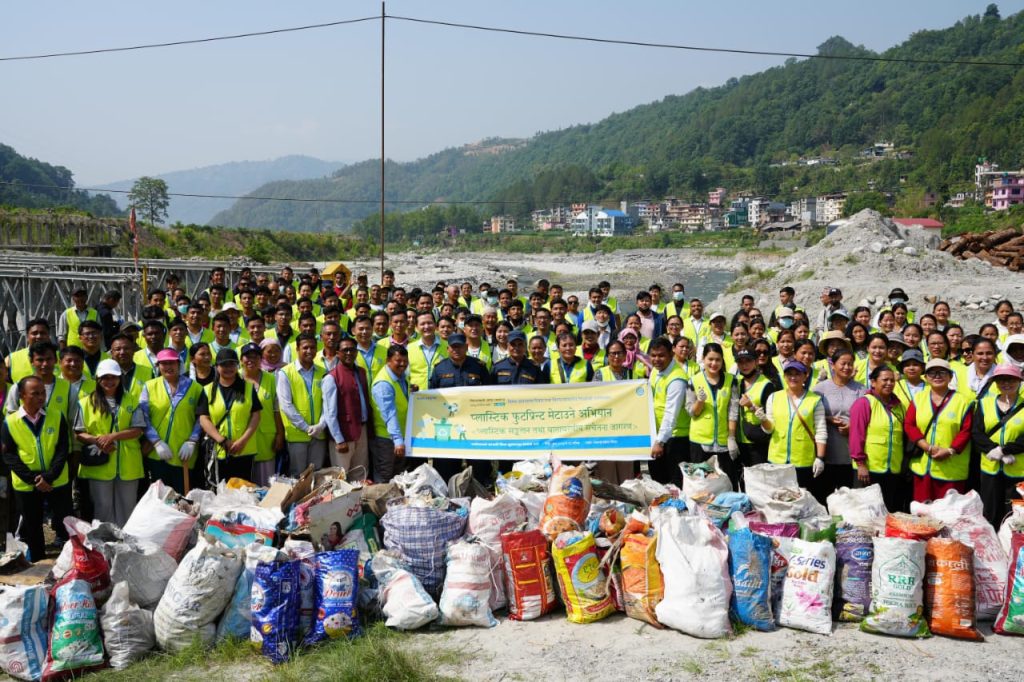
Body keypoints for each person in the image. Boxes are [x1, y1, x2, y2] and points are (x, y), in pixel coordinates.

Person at [1, 376, 72, 562]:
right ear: (22, 395)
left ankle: (70, 560)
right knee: (32, 524)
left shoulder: (56, 416)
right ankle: (38, 561)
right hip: (27, 484)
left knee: (65, 521)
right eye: (35, 393)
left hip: (57, 480)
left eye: (43, 393)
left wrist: (49, 477)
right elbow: (9, 455)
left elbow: (62, 449)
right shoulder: (10, 421)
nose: (41, 397)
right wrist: (34, 479)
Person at [73, 359, 145, 526]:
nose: (109, 381)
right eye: (105, 378)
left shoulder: (132, 400)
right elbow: (78, 432)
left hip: (128, 463)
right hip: (99, 464)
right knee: (102, 507)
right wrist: (98, 441)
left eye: (114, 377)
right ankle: (104, 544)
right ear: (98, 379)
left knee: (127, 507)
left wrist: (112, 437)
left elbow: (138, 429)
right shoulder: (85, 403)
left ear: (120, 379)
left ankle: (125, 543)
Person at [904, 358, 974, 504]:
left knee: (949, 514)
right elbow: (909, 424)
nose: (937, 376)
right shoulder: (918, 398)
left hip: (952, 468)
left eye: (942, 372)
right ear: (926, 377)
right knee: (923, 513)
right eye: (932, 373)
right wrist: (926, 446)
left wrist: (950, 450)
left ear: (950, 376)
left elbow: (966, 430)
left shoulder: (964, 401)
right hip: (923, 468)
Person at [756, 360, 827, 499]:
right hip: (777, 459)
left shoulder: (815, 400)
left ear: (805, 376)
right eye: (789, 374)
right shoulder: (774, 397)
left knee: (800, 499)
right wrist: (763, 420)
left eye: (797, 374)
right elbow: (769, 430)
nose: (793, 378)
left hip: (803, 461)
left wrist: (820, 458)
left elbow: (821, 431)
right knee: (778, 499)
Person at [429, 333, 491, 484]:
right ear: (448, 349)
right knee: (447, 469)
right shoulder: (439, 369)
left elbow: (490, 393)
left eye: (460, 346)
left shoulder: (479, 366)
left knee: (479, 468)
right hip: (448, 427)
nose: (456, 350)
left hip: (475, 426)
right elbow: (431, 397)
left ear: (467, 347)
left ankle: (480, 497)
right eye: (453, 347)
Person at [141, 349, 203, 494]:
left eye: (172, 363)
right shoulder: (149, 386)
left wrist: (192, 440)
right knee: (159, 500)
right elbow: (143, 416)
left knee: (183, 500)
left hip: (184, 453)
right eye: (164, 363)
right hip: (157, 454)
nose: (168, 367)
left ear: (179, 364)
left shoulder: (195, 387)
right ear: (158, 366)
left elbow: (202, 417)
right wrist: (156, 442)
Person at [197, 349, 262, 484]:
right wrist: (221, 440)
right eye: (224, 365)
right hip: (218, 450)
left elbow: (255, 416)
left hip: (244, 450)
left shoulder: (248, 388)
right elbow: (203, 418)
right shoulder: (207, 390)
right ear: (216, 367)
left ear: (237, 366)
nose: (228, 368)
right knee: (219, 492)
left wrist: (242, 441)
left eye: (232, 364)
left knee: (243, 492)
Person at [849, 366, 908, 513]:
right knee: (867, 512)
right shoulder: (864, 403)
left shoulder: (899, 406)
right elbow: (856, 435)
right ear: (873, 382)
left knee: (888, 511)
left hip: (892, 469)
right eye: (885, 380)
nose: (889, 383)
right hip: (869, 470)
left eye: (892, 380)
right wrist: (861, 464)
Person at [973, 363, 1024, 527]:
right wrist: (992, 449)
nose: (1006, 383)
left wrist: (1003, 450)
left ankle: (1014, 550)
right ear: (995, 382)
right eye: (1002, 380)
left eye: (1011, 380)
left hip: (1018, 470)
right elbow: (977, 432)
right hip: (990, 468)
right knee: (991, 512)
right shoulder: (984, 404)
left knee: (1015, 515)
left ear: (1019, 381)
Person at [685, 343, 741, 487]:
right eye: (710, 359)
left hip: (724, 443)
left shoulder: (731, 381)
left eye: (718, 360)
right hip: (700, 443)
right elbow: (692, 412)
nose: (714, 363)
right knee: (702, 487)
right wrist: (700, 401)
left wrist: (731, 437)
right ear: (703, 359)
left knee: (727, 484)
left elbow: (733, 411)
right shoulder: (694, 381)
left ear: (722, 360)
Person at [812, 348, 864, 495]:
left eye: (850, 364)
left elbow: (867, 419)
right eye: (843, 363)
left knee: (848, 497)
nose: (847, 367)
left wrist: (852, 427)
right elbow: (811, 416)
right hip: (826, 452)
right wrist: (828, 419)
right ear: (833, 365)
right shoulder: (820, 389)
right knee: (824, 496)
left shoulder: (861, 390)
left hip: (850, 454)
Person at [277, 333, 328, 476]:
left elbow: (328, 403)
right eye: (305, 347)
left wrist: (321, 425)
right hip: (297, 435)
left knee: (317, 474)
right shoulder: (285, 373)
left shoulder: (323, 372)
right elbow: (286, 405)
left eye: (312, 347)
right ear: (297, 349)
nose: (309, 351)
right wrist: (306, 427)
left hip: (319, 434)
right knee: (298, 475)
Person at [323, 336, 371, 478]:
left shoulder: (361, 372)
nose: (349, 353)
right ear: (338, 353)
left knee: (360, 473)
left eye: (352, 350)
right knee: (341, 476)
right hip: (343, 433)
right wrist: (339, 439)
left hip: (361, 430)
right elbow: (330, 413)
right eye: (345, 350)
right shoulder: (331, 377)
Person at [240, 342, 283, 486]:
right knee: (244, 483)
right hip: (242, 438)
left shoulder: (271, 379)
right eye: (247, 357)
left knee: (266, 484)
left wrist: (279, 434)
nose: (251, 360)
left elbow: (277, 409)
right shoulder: (235, 379)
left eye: (255, 357)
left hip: (266, 437)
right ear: (241, 359)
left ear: (261, 359)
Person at [647, 338, 687, 487]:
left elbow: (671, 413)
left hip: (675, 439)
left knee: (675, 485)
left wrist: (660, 442)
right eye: (653, 355)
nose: (657, 359)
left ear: (671, 354)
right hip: (659, 435)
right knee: (658, 483)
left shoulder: (677, 379)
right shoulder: (656, 371)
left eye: (661, 355)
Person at [370, 346, 411, 483]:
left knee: (399, 477)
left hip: (399, 436)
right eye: (398, 361)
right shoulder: (383, 384)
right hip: (388, 439)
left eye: (405, 361)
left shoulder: (401, 377)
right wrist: (398, 440)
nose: (402, 364)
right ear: (388, 360)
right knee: (385, 476)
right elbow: (389, 414)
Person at [735, 349, 775, 474]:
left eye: (748, 361)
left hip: (758, 441)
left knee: (759, 479)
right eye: (740, 362)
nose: (744, 365)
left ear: (756, 362)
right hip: (739, 440)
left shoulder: (766, 384)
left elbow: (770, 415)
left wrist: (751, 407)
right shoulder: (737, 382)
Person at [407, 311, 447, 392]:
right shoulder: (409, 348)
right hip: (417, 396)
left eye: (429, 323)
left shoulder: (448, 346)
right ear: (417, 327)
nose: (426, 326)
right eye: (422, 324)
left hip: (442, 396)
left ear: (435, 325)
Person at [58, 287, 99, 351]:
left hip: (91, 350)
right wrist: (63, 353)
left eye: (82, 296)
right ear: (73, 298)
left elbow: (99, 333)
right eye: (77, 296)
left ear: (86, 297)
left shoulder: (95, 313)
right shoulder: (66, 313)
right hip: (73, 351)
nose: (80, 298)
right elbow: (62, 337)